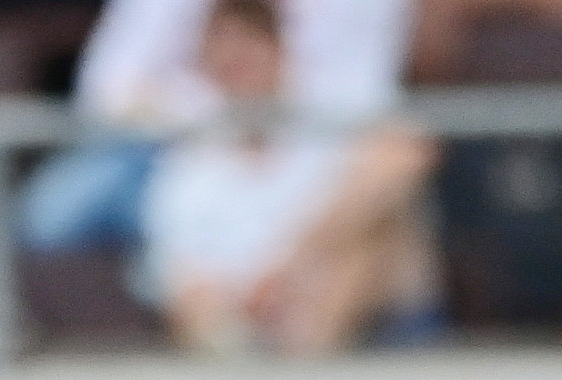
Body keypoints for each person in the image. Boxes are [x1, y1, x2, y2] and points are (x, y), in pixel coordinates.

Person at [139, 0, 434, 354]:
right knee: (200, 305)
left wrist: (287, 265)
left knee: (376, 238)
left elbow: (408, 153)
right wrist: (250, 298)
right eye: (230, 63)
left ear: (280, 51)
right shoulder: (187, 169)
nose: (241, 70)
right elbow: (183, 282)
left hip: (336, 305)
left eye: (251, 54)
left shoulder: (328, 120)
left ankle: (303, 379)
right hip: (243, 323)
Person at [22, 0, 410, 256]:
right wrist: (219, 113)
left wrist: (268, 114)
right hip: (172, 152)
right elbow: (105, 92)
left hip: (308, 144)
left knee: (391, 160)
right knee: (52, 213)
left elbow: (368, 95)